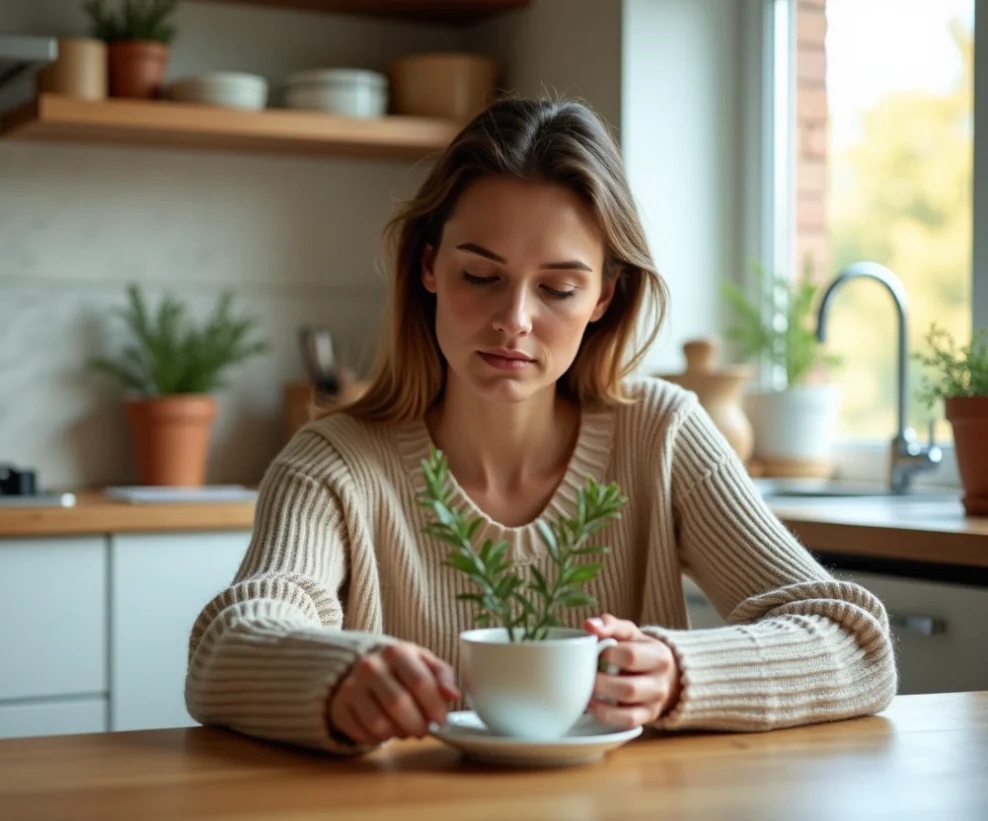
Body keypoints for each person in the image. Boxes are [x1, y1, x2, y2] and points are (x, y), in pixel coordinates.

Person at [185, 97, 896, 754]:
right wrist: (339, 673)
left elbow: (857, 643)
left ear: (603, 297)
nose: (514, 321)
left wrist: (679, 671)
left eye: (557, 287)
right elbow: (226, 647)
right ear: (429, 265)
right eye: (480, 276)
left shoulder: (662, 433)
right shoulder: (331, 463)